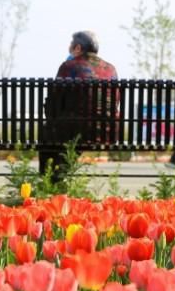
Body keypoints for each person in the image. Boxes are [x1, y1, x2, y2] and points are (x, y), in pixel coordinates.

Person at [39, 30, 118, 182]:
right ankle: (59, 176)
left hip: (76, 130)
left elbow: (54, 101)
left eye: (71, 45)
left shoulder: (68, 66)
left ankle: (50, 181)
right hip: (106, 132)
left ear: (77, 48)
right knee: (74, 127)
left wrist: (51, 116)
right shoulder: (111, 69)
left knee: (49, 132)